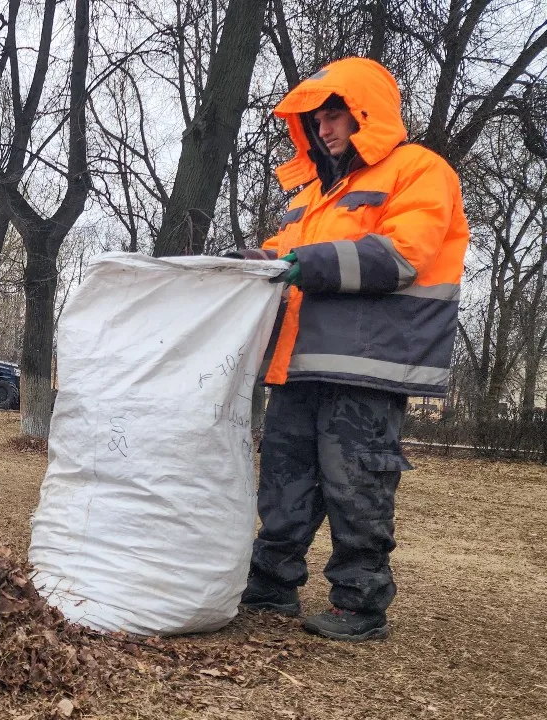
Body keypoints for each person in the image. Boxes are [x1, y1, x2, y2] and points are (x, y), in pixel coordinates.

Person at [230, 57, 469, 641]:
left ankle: (360, 603)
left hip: (367, 365)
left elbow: (401, 256)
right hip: (300, 362)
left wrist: (296, 264)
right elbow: (285, 253)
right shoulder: (315, 193)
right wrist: (253, 264)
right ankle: (271, 583)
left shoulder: (419, 170)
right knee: (285, 480)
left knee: (356, 483)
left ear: (366, 113)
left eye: (334, 115)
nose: (324, 129)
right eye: (315, 121)